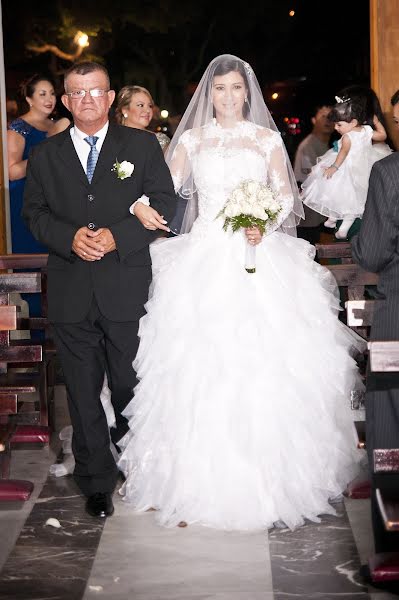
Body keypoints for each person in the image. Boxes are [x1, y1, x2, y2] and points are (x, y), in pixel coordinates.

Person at [116, 55, 365, 531]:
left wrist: (263, 221)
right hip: (205, 255)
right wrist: (135, 201)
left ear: (247, 93)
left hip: (258, 254)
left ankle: (273, 476)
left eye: (235, 89)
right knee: (199, 362)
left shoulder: (266, 139)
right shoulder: (192, 139)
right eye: (220, 89)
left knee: (264, 361)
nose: (228, 97)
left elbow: (285, 195)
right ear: (208, 94)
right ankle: (189, 477)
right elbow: (163, 189)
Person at [22, 61, 176, 519]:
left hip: (125, 285)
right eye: (77, 93)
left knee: (130, 383)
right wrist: (68, 237)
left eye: (95, 91)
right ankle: (95, 479)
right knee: (84, 391)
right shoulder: (46, 155)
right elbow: (34, 214)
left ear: (110, 98)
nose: (86, 99)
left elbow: (164, 202)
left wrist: (118, 235)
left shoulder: (142, 145)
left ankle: (137, 463)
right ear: (66, 102)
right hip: (70, 285)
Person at [352, 153, 399, 557]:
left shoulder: (389, 171)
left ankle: (391, 542)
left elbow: (373, 253)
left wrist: (357, 236)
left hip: (398, 317)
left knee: (389, 426)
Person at [301, 95, 391, 240]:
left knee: (340, 194)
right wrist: (377, 122)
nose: (335, 128)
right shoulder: (366, 131)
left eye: (339, 125)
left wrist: (334, 167)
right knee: (355, 199)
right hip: (364, 168)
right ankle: (337, 224)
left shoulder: (347, 137)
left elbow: (342, 155)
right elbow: (382, 136)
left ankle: (335, 221)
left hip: (348, 169)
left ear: (353, 122)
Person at [7, 74, 70, 254]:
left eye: (51, 94)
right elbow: (12, 172)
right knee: (29, 254)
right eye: (42, 94)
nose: (49, 99)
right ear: (29, 99)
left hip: (54, 198)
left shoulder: (57, 125)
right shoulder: (19, 127)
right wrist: (43, 153)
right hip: (25, 198)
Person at [294, 104, 334, 244]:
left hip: (321, 216)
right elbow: (307, 180)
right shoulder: (307, 146)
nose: (328, 120)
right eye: (323, 116)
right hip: (309, 218)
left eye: (331, 117)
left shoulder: (330, 146)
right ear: (313, 120)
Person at [115, 85, 170, 152]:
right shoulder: (111, 139)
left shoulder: (160, 141)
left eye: (150, 106)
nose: (148, 110)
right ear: (125, 110)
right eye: (140, 105)